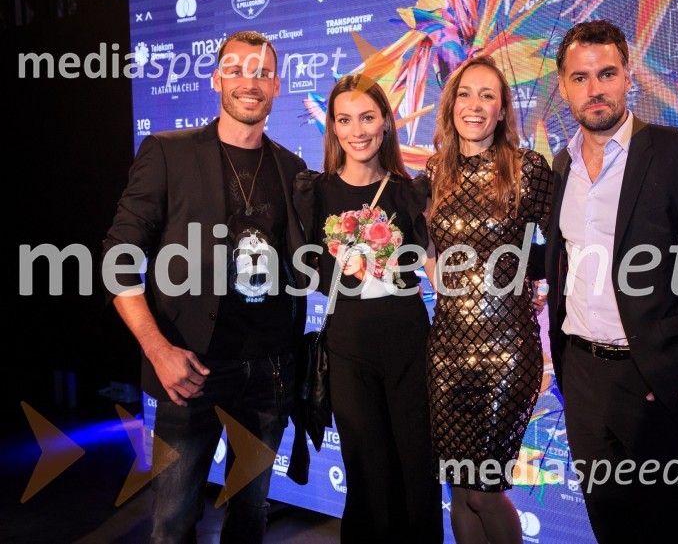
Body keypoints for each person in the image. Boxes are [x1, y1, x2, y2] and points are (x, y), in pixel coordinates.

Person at [101, 31, 310, 543]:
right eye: (237, 69)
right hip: (189, 367)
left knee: (250, 518)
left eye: (262, 72)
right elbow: (116, 259)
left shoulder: (292, 167)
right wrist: (158, 350)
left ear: (277, 85)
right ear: (216, 78)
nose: (249, 81)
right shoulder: (168, 153)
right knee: (173, 522)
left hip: (270, 372)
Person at [544, 20, 678, 543]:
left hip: (656, 384)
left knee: (670, 532)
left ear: (627, 76)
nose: (595, 88)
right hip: (582, 381)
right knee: (609, 527)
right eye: (581, 77)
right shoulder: (559, 169)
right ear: (563, 87)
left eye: (607, 73)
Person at [293, 74, 443, 544]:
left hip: (410, 347)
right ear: (333, 129)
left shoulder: (410, 193)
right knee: (367, 478)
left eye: (367, 117)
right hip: (349, 350)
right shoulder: (313, 194)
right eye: (344, 120)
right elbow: (303, 272)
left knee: (418, 476)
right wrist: (344, 268)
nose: (357, 130)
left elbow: (440, 270)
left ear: (385, 123)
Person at [420, 54, 556, 544]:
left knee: (483, 487)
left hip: (507, 351)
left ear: (502, 111)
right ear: (451, 105)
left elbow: (565, 242)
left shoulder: (527, 169)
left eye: (487, 96)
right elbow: (424, 244)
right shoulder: (434, 172)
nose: (474, 105)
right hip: (446, 352)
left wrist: (531, 278)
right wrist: (433, 272)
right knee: (458, 487)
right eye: (465, 94)